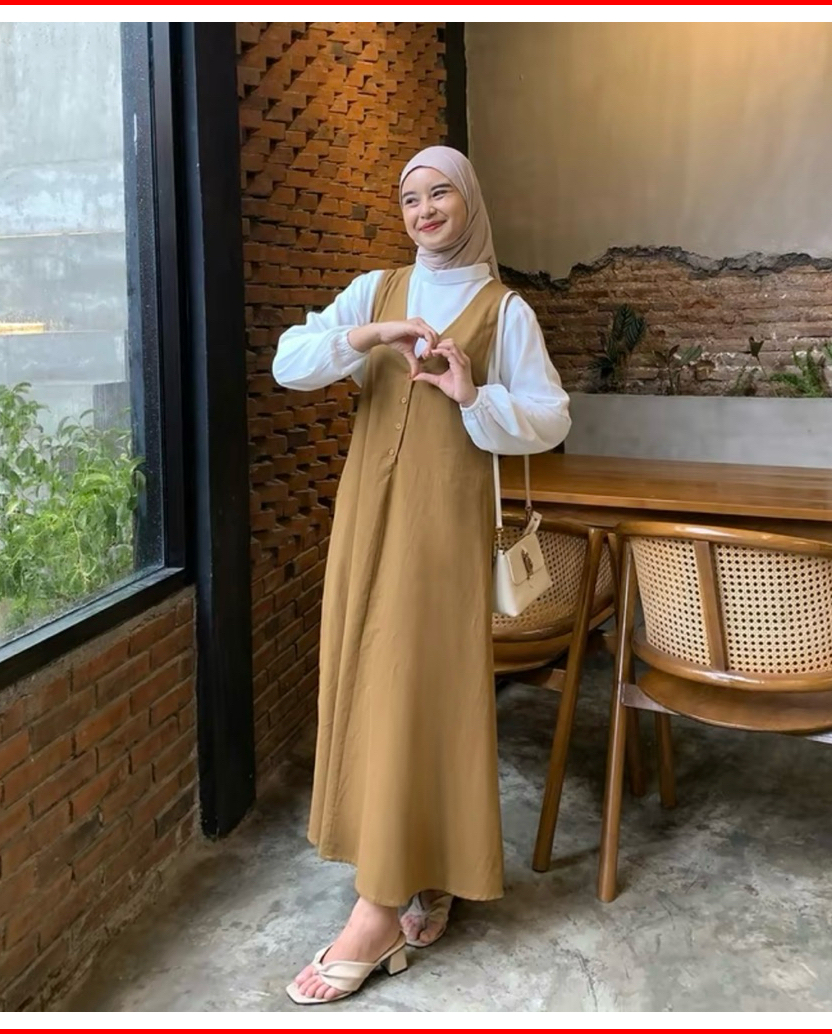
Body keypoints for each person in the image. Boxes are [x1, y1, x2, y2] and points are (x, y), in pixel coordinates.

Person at [273, 145, 570, 1005]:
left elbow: (551, 417)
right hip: (365, 519)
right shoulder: (376, 290)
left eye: (441, 193)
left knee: (419, 691)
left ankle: (376, 910)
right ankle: (426, 870)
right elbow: (290, 362)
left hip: (441, 532)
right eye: (410, 198)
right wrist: (368, 336)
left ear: (469, 201)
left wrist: (472, 394)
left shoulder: (504, 309)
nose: (425, 209)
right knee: (374, 687)